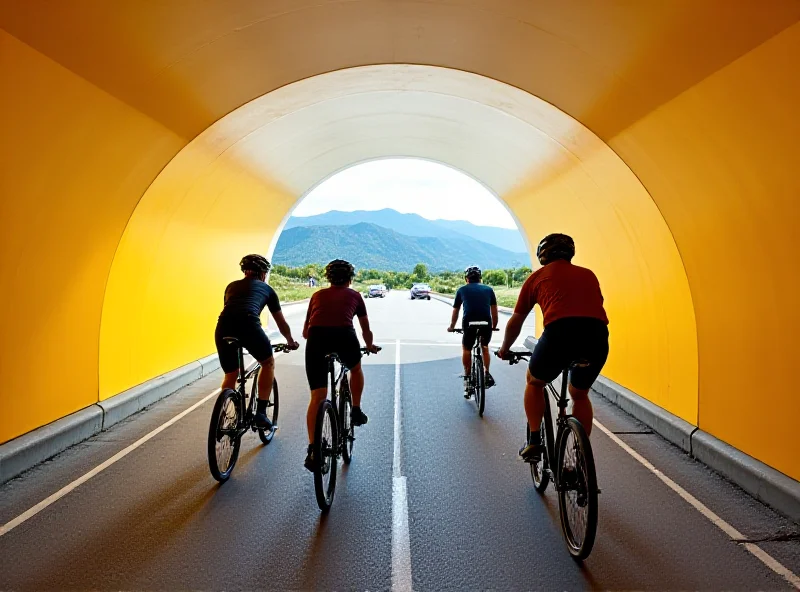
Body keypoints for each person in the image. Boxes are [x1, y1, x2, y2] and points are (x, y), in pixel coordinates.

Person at [497, 234, 609, 461]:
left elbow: (516, 321)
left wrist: (505, 349)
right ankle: (581, 456)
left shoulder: (536, 278)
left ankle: (535, 442)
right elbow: (594, 307)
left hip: (560, 334)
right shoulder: (588, 275)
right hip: (597, 336)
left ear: (543, 255)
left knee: (534, 381)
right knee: (579, 394)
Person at [302, 259, 379, 471]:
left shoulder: (317, 295)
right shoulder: (355, 296)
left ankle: (313, 450)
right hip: (345, 336)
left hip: (316, 340)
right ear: (350, 279)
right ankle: (355, 409)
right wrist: (370, 345)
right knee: (355, 368)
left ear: (328, 278)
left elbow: (305, 333)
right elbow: (365, 329)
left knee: (317, 397)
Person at [215, 254, 299, 430]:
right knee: (267, 363)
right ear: (263, 273)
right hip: (249, 325)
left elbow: (230, 309)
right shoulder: (267, 290)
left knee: (231, 374)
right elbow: (281, 323)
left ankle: (222, 416)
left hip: (223, 327)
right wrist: (290, 340)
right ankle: (260, 413)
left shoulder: (231, 286)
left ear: (244, 271)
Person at [448, 266, 498, 397]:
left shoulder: (461, 290)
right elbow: (494, 310)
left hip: (469, 323)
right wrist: (494, 325)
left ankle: (468, 377)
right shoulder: (489, 289)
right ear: (480, 278)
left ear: (466, 279)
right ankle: (486, 373)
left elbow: (456, 311)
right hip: (486, 323)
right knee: (485, 346)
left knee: (466, 348)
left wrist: (452, 326)